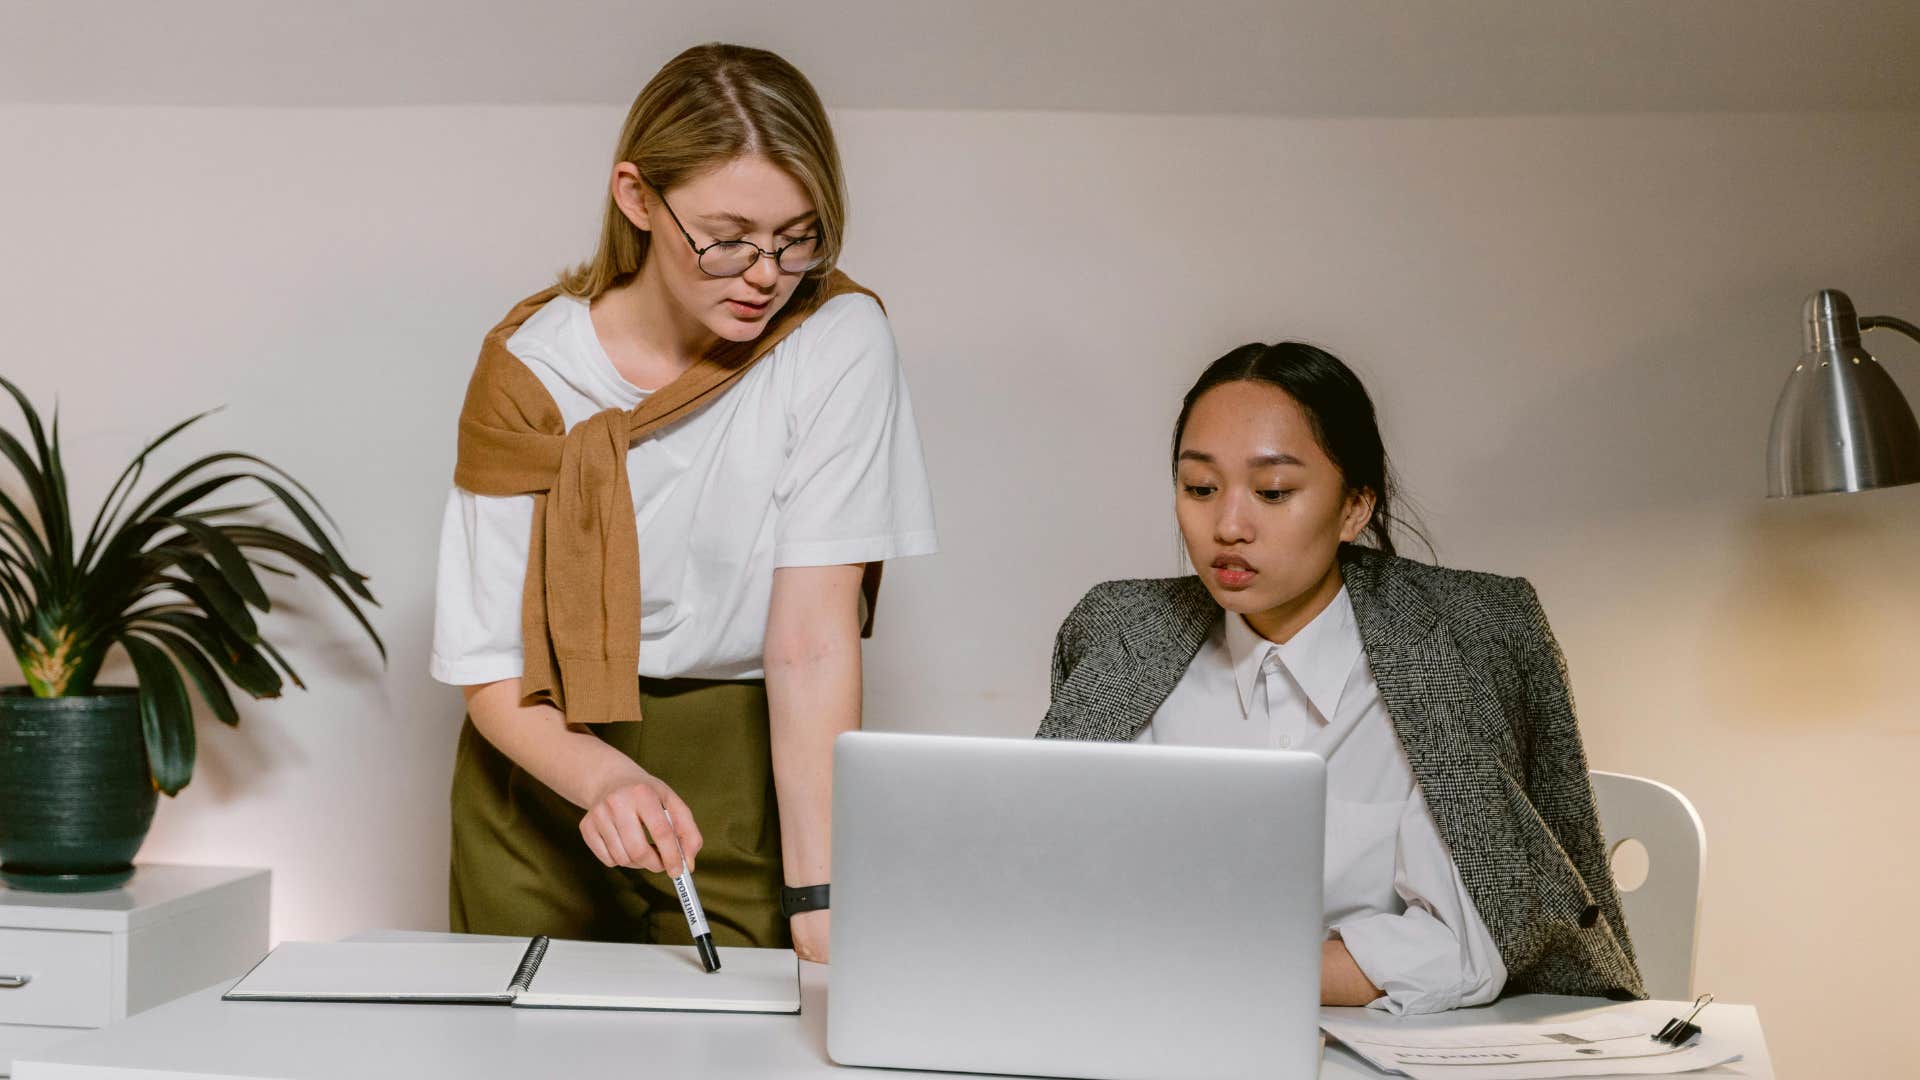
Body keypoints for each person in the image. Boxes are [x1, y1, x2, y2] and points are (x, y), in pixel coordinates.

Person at [431, 43, 937, 963]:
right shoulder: (530, 371)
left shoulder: (835, 340)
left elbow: (813, 641)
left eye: (797, 236)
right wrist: (600, 774)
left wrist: (822, 899)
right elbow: (491, 665)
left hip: (747, 759)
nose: (764, 273)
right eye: (729, 233)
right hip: (545, 762)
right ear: (636, 197)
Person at [1038, 342, 1642, 1012]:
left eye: (1273, 492)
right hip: (1141, 1034)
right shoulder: (1117, 637)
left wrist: (1213, 970)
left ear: (1354, 508)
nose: (1228, 526)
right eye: (1199, 488)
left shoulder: (1455, 647)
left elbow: (1469, 942)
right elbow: (1053, 883)